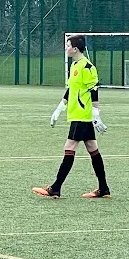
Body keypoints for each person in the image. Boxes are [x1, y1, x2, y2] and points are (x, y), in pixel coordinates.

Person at [32, 35, 111, 199]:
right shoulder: (74, 65)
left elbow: (94, 90)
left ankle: (55, 188)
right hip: (76, 114)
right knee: (92, 148)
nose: (66, 48)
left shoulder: (87, 67)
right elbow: (71, 90)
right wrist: (59, 109)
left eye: (68, 45)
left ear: (75, 48)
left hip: (82, 116)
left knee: (69, 148)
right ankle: (104, 189)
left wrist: (96, 115)